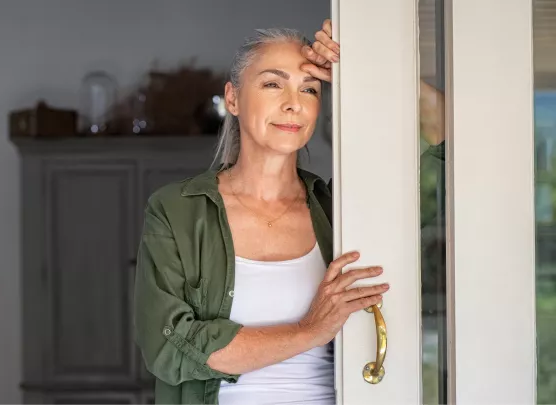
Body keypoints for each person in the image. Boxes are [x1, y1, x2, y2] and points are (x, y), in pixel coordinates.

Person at [134, 20, 445, 405]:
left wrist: (374, 66)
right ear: (233, 98)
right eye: (272, 83)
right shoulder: (176, 210)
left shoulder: (341, 211)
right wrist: (309, 330)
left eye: (310, 88)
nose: (293, 103)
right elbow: (170, 349)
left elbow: (449, 170)